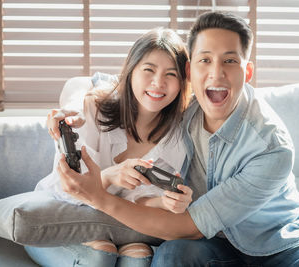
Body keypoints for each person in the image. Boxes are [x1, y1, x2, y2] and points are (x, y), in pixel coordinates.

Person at [36, 12, 299, 267]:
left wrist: (101, 196)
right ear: (191, 71)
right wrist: (71, 109)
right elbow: (113, 82)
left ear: (247, 72)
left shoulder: (271, 146)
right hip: (215, 245)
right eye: (205, 60)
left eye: (230, 61)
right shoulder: (187, 107)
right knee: (172, 257)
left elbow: (189, 226)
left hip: (280, 243)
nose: (216, 73)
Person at [25, 28, 193, 267]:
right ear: (130, 71)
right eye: (149, 70)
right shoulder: (92, 110)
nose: (159, 82)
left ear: (182, 83)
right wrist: (110, 176)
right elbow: (68, 188)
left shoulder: (178, 137)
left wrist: (166, 203)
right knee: (101, 252)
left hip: (120, 226)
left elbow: (143, 198)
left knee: (139, 256)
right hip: (66, 216)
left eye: (171, 74)